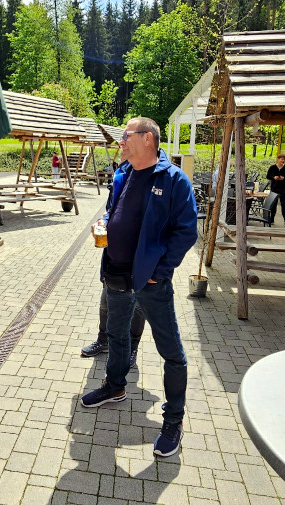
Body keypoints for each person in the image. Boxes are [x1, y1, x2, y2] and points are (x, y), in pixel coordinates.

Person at [79, 117, 198, 458]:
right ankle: (115, 386)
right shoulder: (124, 173)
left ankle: (173, 420)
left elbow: (186, 231)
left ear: (148, 139)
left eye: (126, 136)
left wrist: (160, 272)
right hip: (116, 274)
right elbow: (113, 211)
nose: (121, 142)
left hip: (151, 282)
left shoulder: (173, 179)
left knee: (171, 351)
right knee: (116, 335)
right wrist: (104, 222)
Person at [266, 153, 285, 227]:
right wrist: (274, 177)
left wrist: (284, 178)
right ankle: (272, 219)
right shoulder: (272, 167)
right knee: (273, 205)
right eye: (282, 159)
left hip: (283, 189)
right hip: (274, 188)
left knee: (284, 205)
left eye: (284, 159)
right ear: (278, 159)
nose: (283, 161)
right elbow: (268, 176)